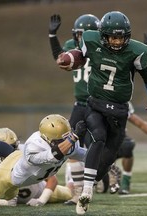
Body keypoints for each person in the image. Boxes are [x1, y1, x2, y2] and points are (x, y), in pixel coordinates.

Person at [57, 11, 147, 215]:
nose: (116, 41)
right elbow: (80, 54)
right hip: (95, 103)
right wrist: (70, 59)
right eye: (113, 36)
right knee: (98, 137)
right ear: (103, 35)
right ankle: (85, 189)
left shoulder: (136, 51)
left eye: (121, 37)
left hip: (119, 109)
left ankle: (93, 183)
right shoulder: (90, 40)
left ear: (127, 36)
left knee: (110, 153)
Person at [0, 114, 87, 206]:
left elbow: (53, 176)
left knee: (69, 192)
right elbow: (54, 155)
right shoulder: (32, 149)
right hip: (10, 177)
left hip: (36, 186)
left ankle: (71, 180)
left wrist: (41, 200)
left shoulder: (22, 149)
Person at [49, 13, 100, 205]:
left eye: (84, 34)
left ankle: (103, 173)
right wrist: (52, 36)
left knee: (96, 147)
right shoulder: (73, 48)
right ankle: (79, 193)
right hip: (80, 105)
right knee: (71, 148)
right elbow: (60, 58)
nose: (80, 38)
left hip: (98, 104)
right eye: (78, 34)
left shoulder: (101, 48)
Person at [0, 127, 73, 206]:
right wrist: (3, 202)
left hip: (40, 191)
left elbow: (52, 180)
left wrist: (41, 200)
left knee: (70, 193)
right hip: (17, 195)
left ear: (17, 145)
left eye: (11, 147)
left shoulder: (27, 151)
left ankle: (71, 177)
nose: (5, 151)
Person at [96, 101, 147, 195]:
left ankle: (125, 180)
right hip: (100, 142)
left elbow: (140, 123)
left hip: (116, 139)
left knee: (128, 145)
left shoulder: (123, 102)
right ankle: (103, 172)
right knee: (102, 187)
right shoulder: (96, 100)